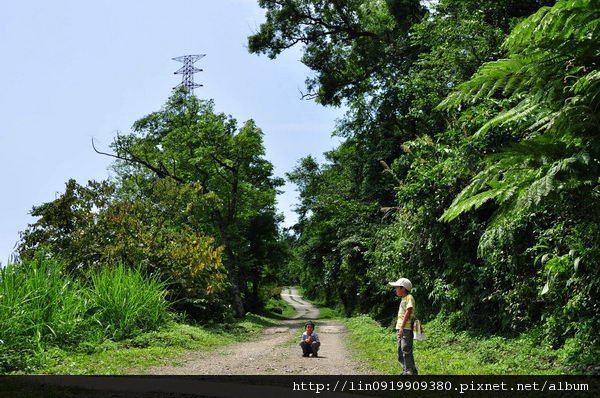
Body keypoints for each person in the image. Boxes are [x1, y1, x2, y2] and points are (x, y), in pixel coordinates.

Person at [389, 277, 418, 375]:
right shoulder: (403, 299)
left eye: (397, 287)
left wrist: (401, 327)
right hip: (400, 328)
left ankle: (409, 370)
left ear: (403, 288)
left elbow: (409, 310)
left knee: (405, 348)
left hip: (406, 328)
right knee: (400, 350)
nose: (395, 290)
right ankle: (408, 370)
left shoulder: (409, 297)